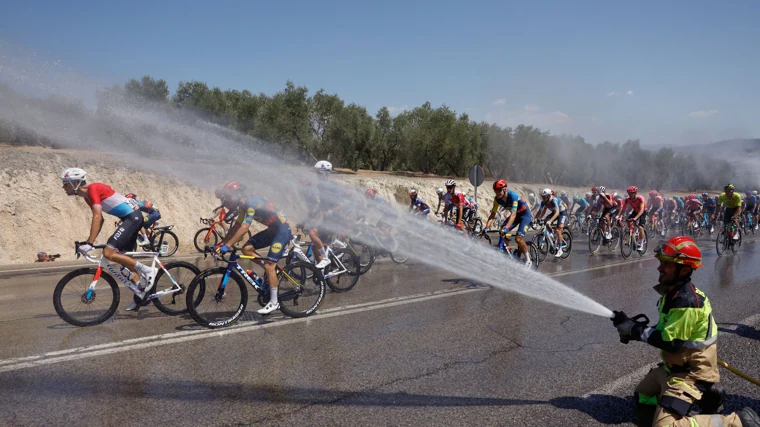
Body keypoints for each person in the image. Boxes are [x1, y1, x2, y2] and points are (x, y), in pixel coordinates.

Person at [612, 236, 760, 427]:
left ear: (684, 269)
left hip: (691, 373)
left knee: (665, 426)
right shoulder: (672, 294)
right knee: (642, 397)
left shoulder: (686, 302)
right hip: (673, 368)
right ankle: (708, 396)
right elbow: (665, 329)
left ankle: (736, 421)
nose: (660, 268)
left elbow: (670, 342)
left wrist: (634, 330)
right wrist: (631, 326)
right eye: (661, 263)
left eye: (667, 264)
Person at [60, 168, 157, 311]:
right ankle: (140, 296)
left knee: (108, 253)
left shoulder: (93, 189)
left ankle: (149, 271)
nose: (63, 187)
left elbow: (98, 217)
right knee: (125, 264)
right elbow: (101, 219)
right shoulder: (87, 197)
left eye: (65, 184)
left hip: (132, 218)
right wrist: (89, 243)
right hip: (128, 219)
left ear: (75, 183)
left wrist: (89, 243)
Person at [215, 181, 292, 315]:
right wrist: (221, 243)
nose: (228, 199)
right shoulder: (242, 207)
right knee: (247, 249)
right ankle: (271, 273)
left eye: (230, 196)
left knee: (269, 266)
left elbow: (245, 228)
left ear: (237, 194)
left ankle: (274, 302)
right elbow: (237, 226)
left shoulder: (250, 203)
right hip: (273, 230)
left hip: (282, 230)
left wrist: (228, 245)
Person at [483, 179, 533, 266]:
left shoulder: (513, 196)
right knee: (502, 230)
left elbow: (513, 214)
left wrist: (507, 228)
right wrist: (487, 227)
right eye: (495, 191)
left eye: (498, 190)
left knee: (518, 239)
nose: (496, 193)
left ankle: (528, 260)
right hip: (516, 216)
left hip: (525, 216)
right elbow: (492, 214)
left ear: (505, 189)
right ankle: (508, 250)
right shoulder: (497, 199)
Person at [536, 188, 568, 258]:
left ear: (548, 196)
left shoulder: (554, 200)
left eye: (544, 197)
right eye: (542, 197)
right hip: (555, 212)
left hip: (562, 212)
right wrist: (536, 219)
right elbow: (541, 211)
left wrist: (550, 221)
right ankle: (552, 236)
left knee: (558, 230)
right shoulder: (543, 202)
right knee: (545, 221)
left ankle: (560, 249)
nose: (543, 198)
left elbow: (557, 213)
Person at [621, 186, 648, 251]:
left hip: (643, 212)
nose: (629, 195)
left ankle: (641, 243)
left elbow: (641, 210)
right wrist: (620, 216)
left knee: (640, 227)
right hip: (635, 211)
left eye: (631, 193)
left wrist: (635, 218)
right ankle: (632, 233)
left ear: (635, 193)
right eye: (628, 193)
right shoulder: (628, 199)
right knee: (628, 221)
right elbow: (624, 209)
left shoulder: (640, 198)